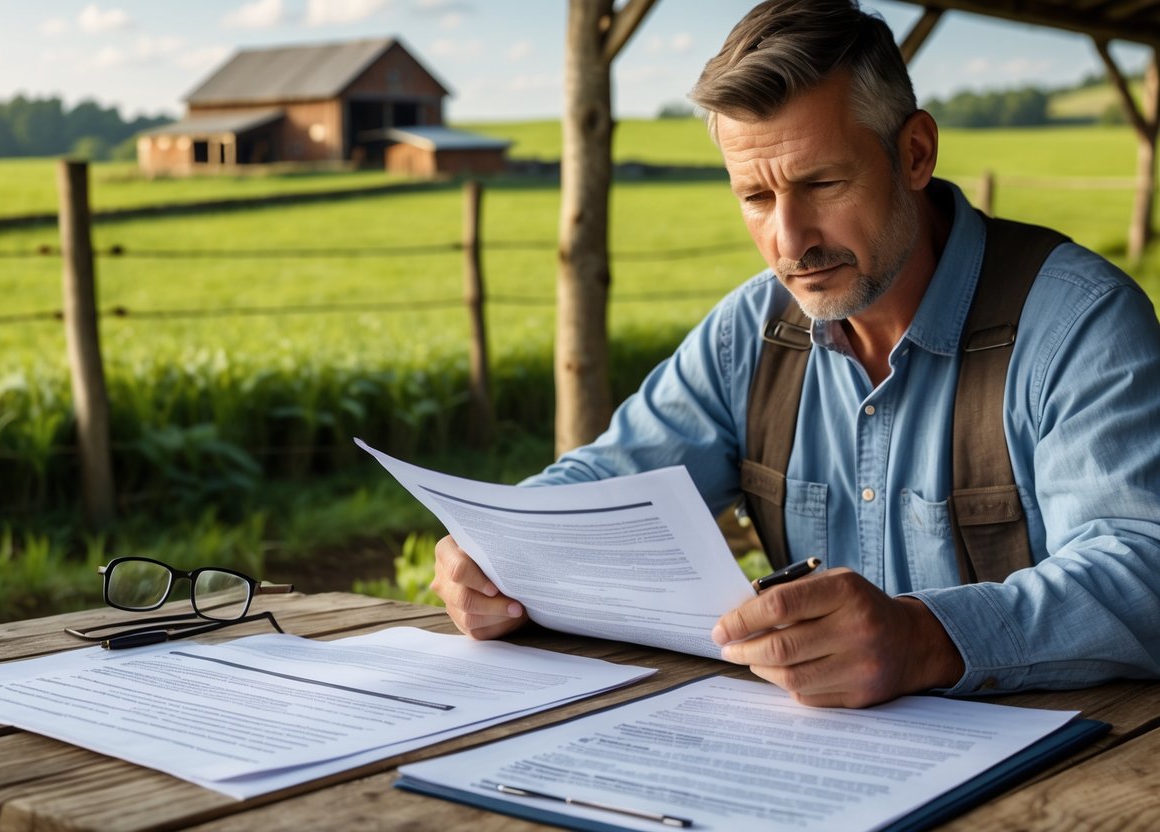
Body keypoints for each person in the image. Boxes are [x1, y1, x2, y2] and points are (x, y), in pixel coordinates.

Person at [430, 0, 1160, 707]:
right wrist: (499, 547)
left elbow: (1140, 574)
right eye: (754, 197)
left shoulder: (1078, 325)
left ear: (914, 153)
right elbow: (607, 484)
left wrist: (925, 638)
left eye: (821, 184)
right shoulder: (743, 334)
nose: (789, 242)